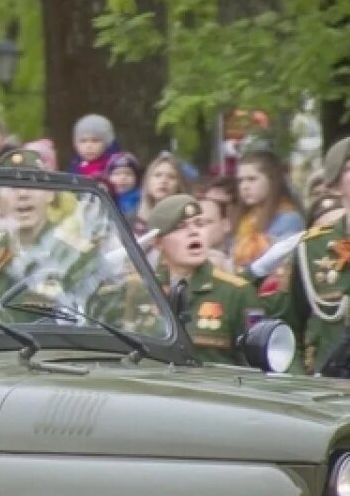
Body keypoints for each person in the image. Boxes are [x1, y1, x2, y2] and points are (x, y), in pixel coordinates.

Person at [145, 194, 263, 365]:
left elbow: (259, 363)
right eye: (180, 227)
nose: (194, 232)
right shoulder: (142, 289)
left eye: (200, 224)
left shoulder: (237, 292)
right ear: (158, 243)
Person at [271, 138, 350, 373]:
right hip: (327, 391)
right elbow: (286, 328)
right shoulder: (311, 249)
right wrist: (299, 384)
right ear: (335, 186)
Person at [230, 150, 304, 270]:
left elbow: (280, 265)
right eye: (240, 180)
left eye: (251, 179)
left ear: (271, 181)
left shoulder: (289, 219)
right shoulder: (246, 220)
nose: (244, 186)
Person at [68, 114, 119, 179]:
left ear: (106, 143)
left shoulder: (116, 169)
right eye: (83, 141)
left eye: (95, 140)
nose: (89, 146)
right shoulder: (73, 168)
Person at [104, 152, 141, 223]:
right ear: (108, 177)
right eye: (117, 174)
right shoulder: (103, 197)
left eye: (128, 174)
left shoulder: (142, 200)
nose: (123, 178)